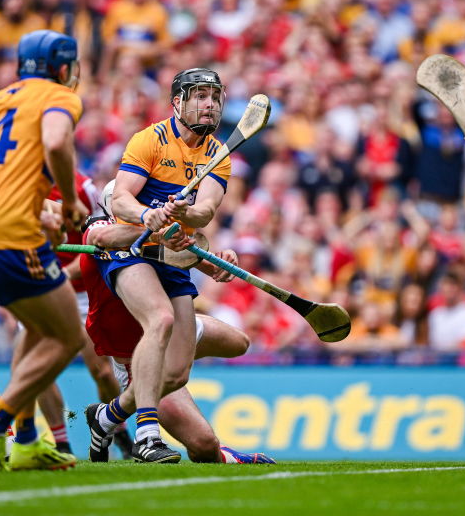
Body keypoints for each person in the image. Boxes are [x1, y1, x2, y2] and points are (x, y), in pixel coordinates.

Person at [0, 30, 89, 471]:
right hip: (9, 236)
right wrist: (68, 202)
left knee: (36, 332)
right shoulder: (59, 97)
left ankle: (27, 440)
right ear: (64, 68)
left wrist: (42, 213)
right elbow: (53, 142)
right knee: (67, 336)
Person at [76, 182, 274, 464]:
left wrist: (220, 262)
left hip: (172, 329)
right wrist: (155, 232)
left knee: (240, 343)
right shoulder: (101, 227)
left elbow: (203, 262)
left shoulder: (160, 231)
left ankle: (107, 415)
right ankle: (110, 416)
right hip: (138, 357)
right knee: (205, 446)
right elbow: (103, 236)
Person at [100, 67, 232, 462]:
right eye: (199, 96)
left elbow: (205, 210)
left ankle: (107, 418)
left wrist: (185, 212)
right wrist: (146, 215)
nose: (209, 105)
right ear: (177, 102)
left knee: (176, 374)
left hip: (171, 258)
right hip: (131, 249)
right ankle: (147, 437)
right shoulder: (150, 139)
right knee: (160, 320)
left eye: (214, 97)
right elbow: (121, 198)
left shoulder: (218, 153)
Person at [20, 171, 132, 457]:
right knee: (38, 369)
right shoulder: (19, 182)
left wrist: (58, 273)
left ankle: (113, 428)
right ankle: (62, 443)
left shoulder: (83, 188)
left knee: (102, 372)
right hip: (43, 289)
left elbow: (97, 240)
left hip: (83, 289)